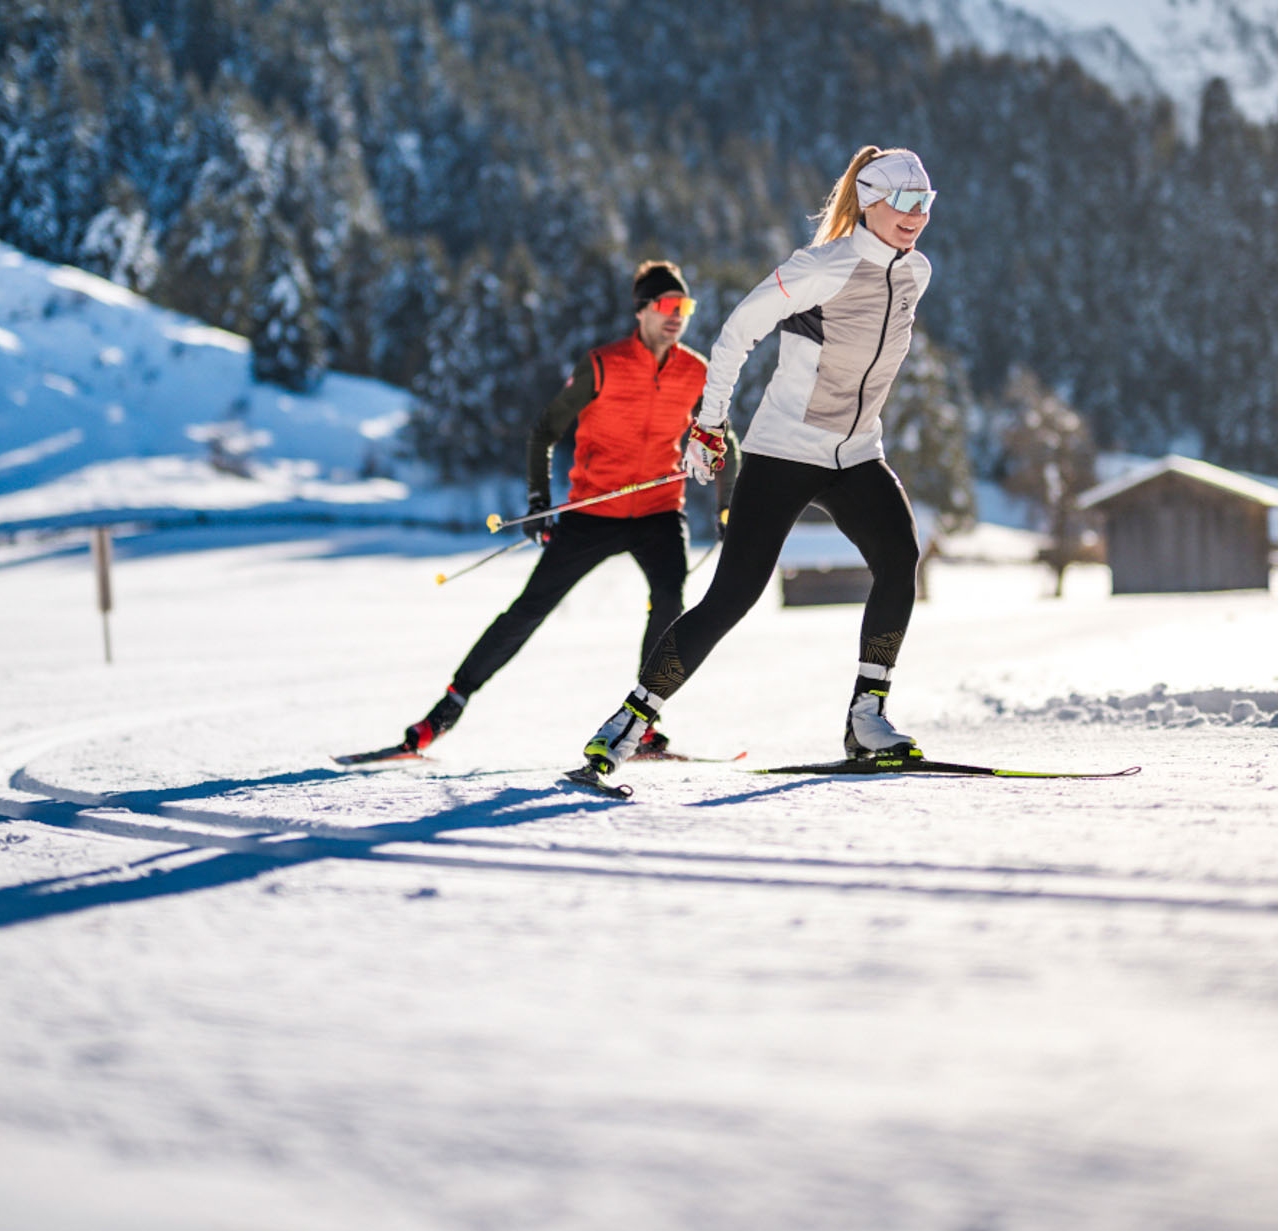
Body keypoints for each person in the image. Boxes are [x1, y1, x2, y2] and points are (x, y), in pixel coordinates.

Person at [573, 146, 936, 785]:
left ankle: (866, 717)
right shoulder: (820, 267)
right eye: (905, 202)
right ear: (871, 201)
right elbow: (736, 333)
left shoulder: (915, 273)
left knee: (899, 562)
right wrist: (710, 424)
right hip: (784, 450)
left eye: (926, 204)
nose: (916, 216)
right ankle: (629, 722)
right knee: (733, 596)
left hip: (857, 452)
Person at [388, 260, 737, 756]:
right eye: (666, 305)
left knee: (670, 600)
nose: (676, 314)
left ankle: (641, 721)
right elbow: (544, 432)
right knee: (531, 608)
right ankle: (447, 707)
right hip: (594, 511)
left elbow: (724, 442)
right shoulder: (601, 365)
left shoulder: (696, 371)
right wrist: (538, 501)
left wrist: (727, 507)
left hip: (660, 510)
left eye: (684, 306)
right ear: (641, 311)